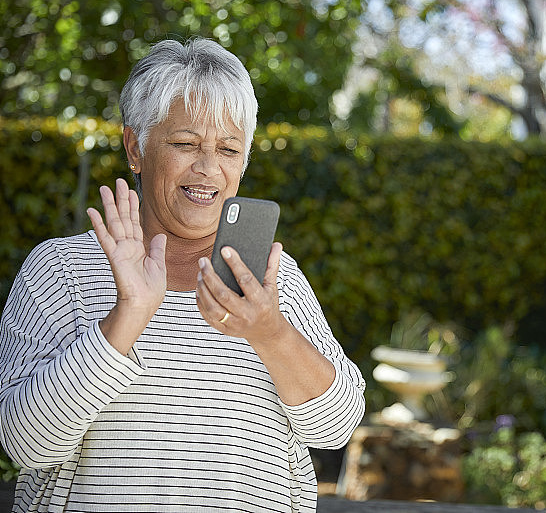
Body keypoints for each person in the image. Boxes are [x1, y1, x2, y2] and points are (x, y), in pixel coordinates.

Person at [0, 37, 365, 512]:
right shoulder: (60, 270)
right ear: (136, 147)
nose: (209, 168)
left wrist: (269, 332)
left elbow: (335, 428)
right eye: (185, 144)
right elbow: (25, 446)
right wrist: (127, 316)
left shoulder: (272, 281)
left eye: (228, 149)